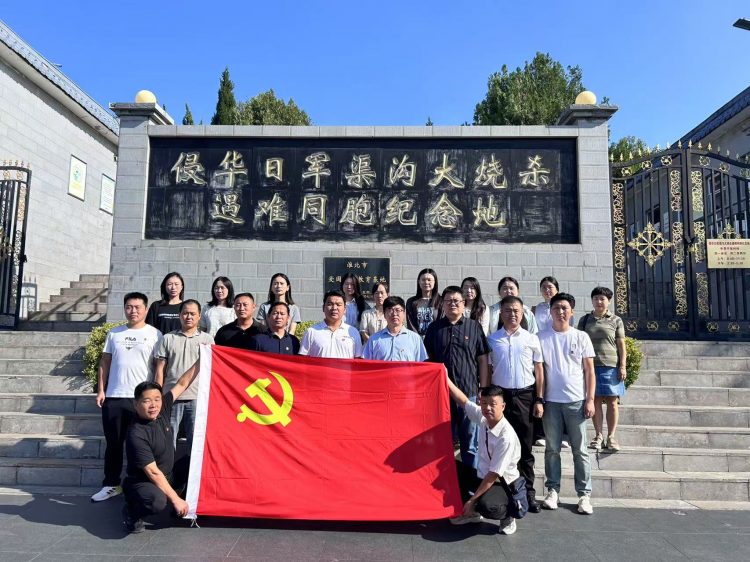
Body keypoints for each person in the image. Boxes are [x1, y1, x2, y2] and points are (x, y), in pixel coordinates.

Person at [92, 292, 161, 503]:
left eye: (138, 307)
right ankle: (111, 484)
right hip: (115, 396)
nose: (133, 311)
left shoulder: (155, 334)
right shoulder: (114, 334)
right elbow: (105, 363)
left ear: (146, 310)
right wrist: (101, 390)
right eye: (129, 307)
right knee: (114, 444)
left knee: (140, 445)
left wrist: (156, 395)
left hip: (141, 400)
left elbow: (159, 367)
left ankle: (139, 485)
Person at [121, 361, 203, 534]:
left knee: (197, 463)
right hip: (143, 482)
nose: (153, 405)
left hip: (168, 474)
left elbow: (182, 383)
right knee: (156, 502)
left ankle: (180, 508)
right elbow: (153, 472)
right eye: (147, 401)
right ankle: (132, 512)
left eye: (157, 399)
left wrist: (203, 359)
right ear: (136, 404)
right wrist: (175, 499)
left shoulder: (162, 409)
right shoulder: (136, 433)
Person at [538, 293, 596, 515]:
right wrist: (540, 399)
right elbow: (539, 371)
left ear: (572, 311)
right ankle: (553, 490)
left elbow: (589, 371)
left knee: (580, 450)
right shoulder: (541, 337)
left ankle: (584, 495)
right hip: (551, 402)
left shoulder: (581, 337)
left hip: (576, 401)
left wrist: (590, 399)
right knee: (552, 449)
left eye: (564, 308)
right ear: (550, 311)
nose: (560, 312)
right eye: (556, 308)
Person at [487, 295, 544, 513]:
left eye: (516, 311)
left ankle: (528, 494)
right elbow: (488, 370)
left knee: (525, 448)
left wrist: (539, 399)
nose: (512, 314)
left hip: (525, 396)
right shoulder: (492, 340)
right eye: (508, 310)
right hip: (501, 397)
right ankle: (506, 495)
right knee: (501, 447)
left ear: (522, 314)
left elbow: (539, 370)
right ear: (501, 313)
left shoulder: (531, 339)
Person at [446, 380, 524, 536]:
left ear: (503, 406)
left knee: (487, 506)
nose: (487, 408)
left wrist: (472, 500)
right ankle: (472, 514)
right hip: (483, 476)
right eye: (484, 403)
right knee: (452, 467)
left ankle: (508, 513)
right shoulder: (484, 419)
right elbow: (463, 401)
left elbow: (493, 475)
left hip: (502, 484)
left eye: (493, 404)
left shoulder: (506, 437)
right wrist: (445, 378)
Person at [424, 286, 490, 468]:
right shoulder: (434, 328)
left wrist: (483, 389)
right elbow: (427, 360)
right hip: (441, 395)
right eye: (448, 301)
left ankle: (470, 484)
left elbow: (483, 359)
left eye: (456, 301)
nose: (452, 304)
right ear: (442, 304)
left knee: (470, 444)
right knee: (443, 443)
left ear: (463, 303)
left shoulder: (474, 327)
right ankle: (445, 483)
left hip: (469, 394)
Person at [154, 299, 214, 451]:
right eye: (185, 313)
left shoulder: (207, 340)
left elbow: (211, 369)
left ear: (199, 316)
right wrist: (158, 395)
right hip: (171, 396)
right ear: (180, 315)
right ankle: (168, 467)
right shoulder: (168, 338)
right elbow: (160, 370)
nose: (189, 317)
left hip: (197, 397)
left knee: (196, 441)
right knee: (168, 439)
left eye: (193, 314)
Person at [579, 287, 627, 452]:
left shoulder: (616, 320)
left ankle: (611, 436)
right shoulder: (585, 320)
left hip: (611, 366)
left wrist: (622, 366)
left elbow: (621, 345)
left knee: (612, 402)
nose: (599, 302)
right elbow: (578, 343)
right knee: (596, 400)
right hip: (590, 366)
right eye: (596, 298)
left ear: (609, 301)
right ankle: (598, 435)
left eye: (602, 299)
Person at [299, 290, 363, 358]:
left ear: (345, 309)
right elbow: (303, 360)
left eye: (338, 305)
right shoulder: (311, 332)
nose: (334, 308)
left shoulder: (353, 332)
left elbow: (357, 360)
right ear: (323, 308)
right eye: (330, 304)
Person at [362, 296, 427, 361]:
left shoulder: (415, 339)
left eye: (398, 310)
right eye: (390, 310)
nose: (394, 314)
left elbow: (421, 364)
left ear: (404, 313)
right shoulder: (374, 339)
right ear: (384, 314)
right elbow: (366, 364)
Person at [406, 268, 442, 337]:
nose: (426, 282)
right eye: (423, 280)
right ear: (418, 282)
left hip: (436, 339)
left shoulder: (441, 301)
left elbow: (441, 321)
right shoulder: (411, 302)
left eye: (429, 280)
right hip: (417, 339)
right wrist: (417, 339)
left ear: (435, 282)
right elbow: (410, 324)